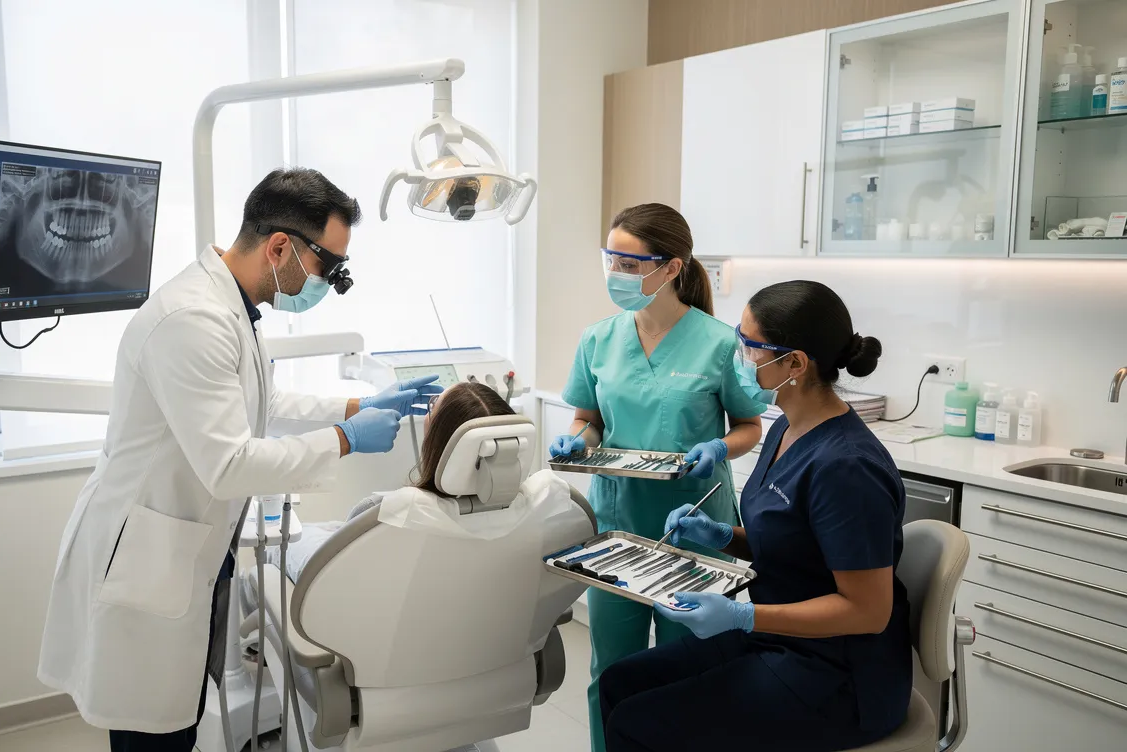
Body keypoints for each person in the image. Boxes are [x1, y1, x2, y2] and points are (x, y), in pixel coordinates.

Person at [36, 168, 443, 752]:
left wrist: (361, 403)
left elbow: (263, 401)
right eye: (328, 267)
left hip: (186, 550)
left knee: (176, 715)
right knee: (151, 730)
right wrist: (346, 438)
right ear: (281, 246)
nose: (329, 281)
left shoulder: (233, 308)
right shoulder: (193, 320)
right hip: (145, 555)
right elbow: (227, 464)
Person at [598, 280, 910, 752]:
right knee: (620, 683)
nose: (738, 356)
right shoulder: (786, 427)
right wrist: (722, 537)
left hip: (837, 674)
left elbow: (868, 611)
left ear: (795, 363)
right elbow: (796, 546)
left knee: (639, 723)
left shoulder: (846, 468)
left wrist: (744, 616)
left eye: (750, 347)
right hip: (777, 638)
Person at [547, 203, 767, 751]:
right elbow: (588, 418)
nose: (615, 275)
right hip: (618, 528)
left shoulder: (719, 343)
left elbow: (749, 425)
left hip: (693, 528)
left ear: (671, 268)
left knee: (686, 674)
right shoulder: (598, 339)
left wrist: (718, 447)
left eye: (629, 263)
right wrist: (580, 440)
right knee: (612, 672)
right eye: (610, 260)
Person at [254, 380, 517, 582]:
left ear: (439, 438)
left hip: (346, 597)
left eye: (432, 406)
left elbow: (328, 568)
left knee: (281, 544)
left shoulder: (390, 509)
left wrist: (346, 437)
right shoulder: (531, 507)